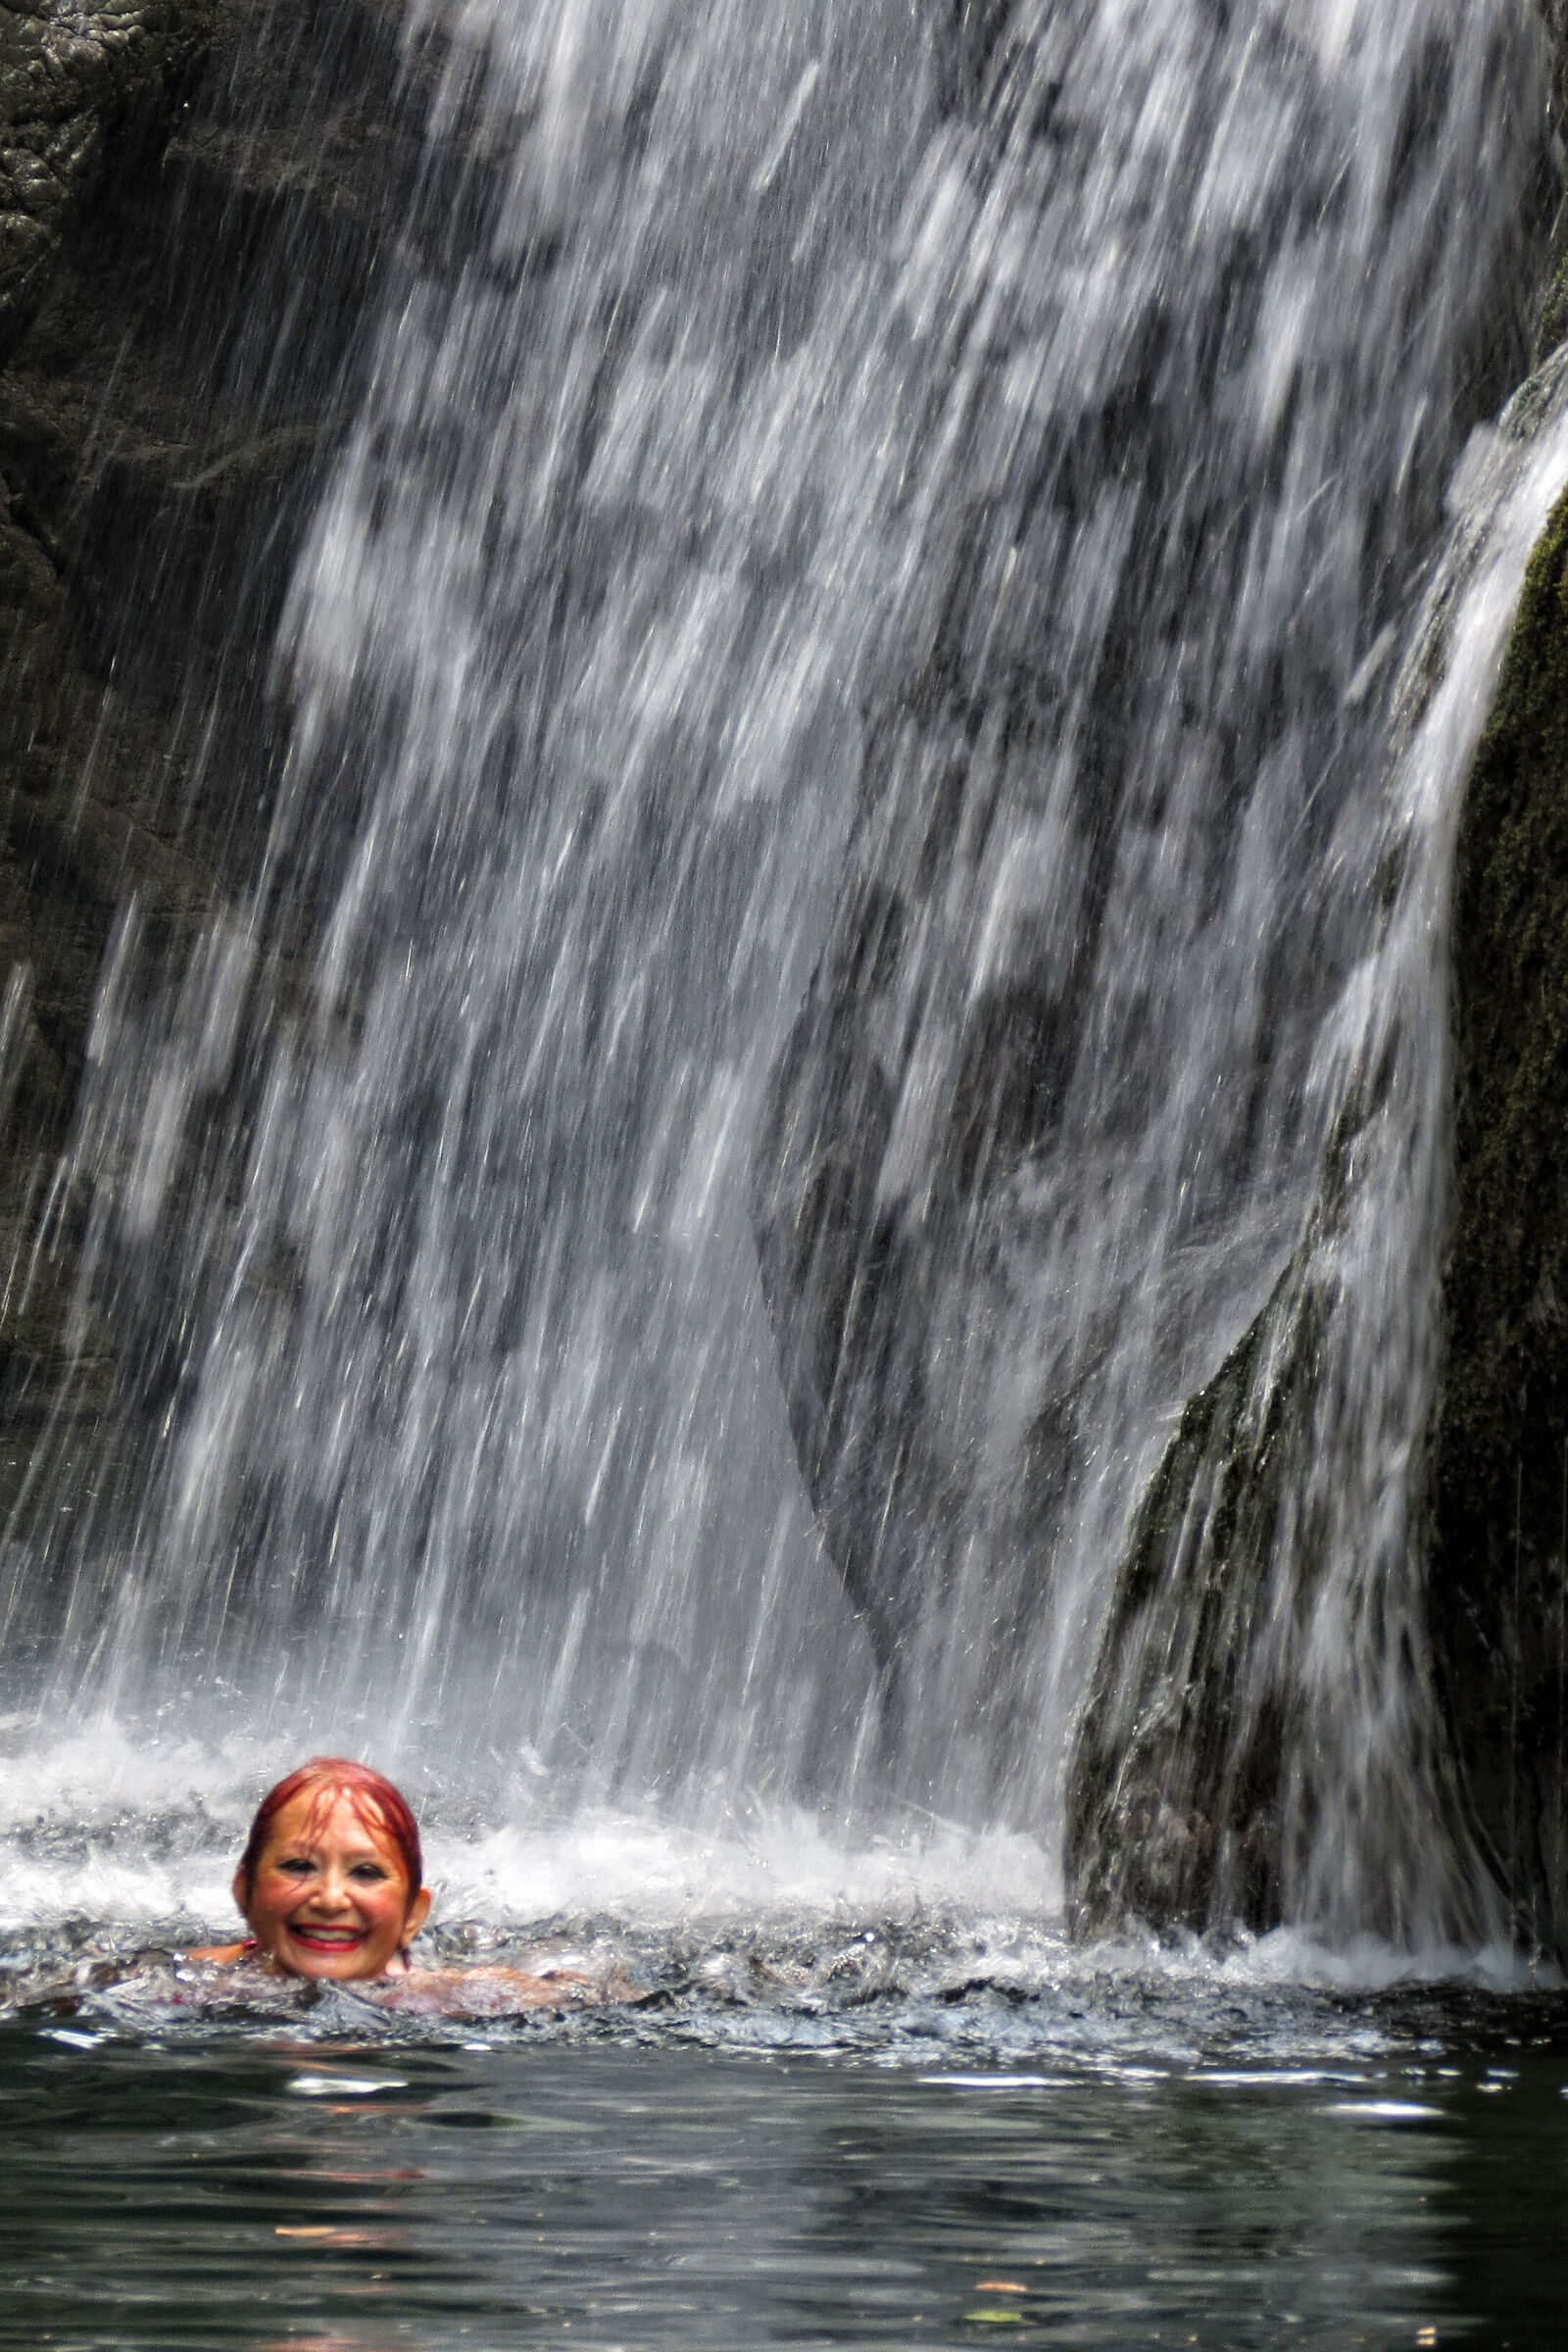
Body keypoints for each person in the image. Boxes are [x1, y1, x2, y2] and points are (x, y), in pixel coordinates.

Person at [187, 1757, 611, 2011]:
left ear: (413, 1915)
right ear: (244, 1890)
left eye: (366, 1872)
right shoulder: (184, 1985)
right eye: (299, 1866)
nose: (331, 1898)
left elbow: (593, 1995)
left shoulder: (450, 1999)